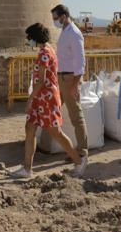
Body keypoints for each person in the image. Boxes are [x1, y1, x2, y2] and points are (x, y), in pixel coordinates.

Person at [12, 23, 86, 178]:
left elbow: (41, 80)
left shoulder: (44, 53)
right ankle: (27, 168)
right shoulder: (48, 50)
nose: (28, 40)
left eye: (29, 37)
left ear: (35, 37)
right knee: (30, 128)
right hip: (42, 97)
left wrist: (30, 99)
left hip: (46, 98)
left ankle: (79, 161)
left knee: (55, 132)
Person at [50, 4, 89, 159]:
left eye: (56, 18)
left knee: (76, 116)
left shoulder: (74, 33)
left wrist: (75, 84)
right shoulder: (65, 32)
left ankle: (82, 151)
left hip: (69, 78)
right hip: (61, 77)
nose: (55, 21)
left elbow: (80, 61)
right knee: (52, 110)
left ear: (64, 16)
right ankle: (48, 144)